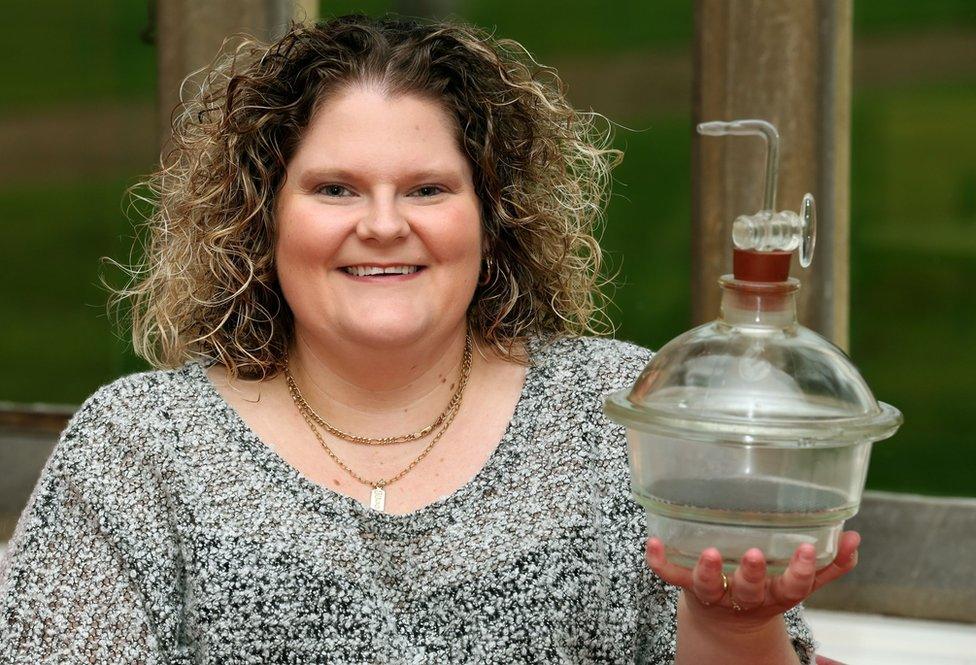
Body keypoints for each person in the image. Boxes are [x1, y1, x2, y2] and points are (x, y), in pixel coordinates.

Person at [0, 13, 858, 664]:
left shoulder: (627, 420)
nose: (383, 225)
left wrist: (730, 621)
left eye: (427, 188)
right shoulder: (141, 447)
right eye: (335, 189)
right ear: (261, 218)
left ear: (493, 215)